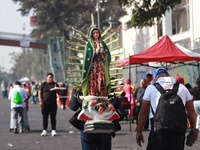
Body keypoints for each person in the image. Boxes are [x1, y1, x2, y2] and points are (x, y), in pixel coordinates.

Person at [69, 26, 120, 150]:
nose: (96, 34)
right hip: (100, 130)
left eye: (97, 32)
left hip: (93, 129)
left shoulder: (107, 88)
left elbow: (73, 106)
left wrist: (102, 52)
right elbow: (89, 57)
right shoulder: (89, 46)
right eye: (94, 33)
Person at [136, 68, 197, 150]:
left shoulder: (151, 88)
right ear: (169, 76)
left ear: (156, 78)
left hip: (157, 132)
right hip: (178, 132)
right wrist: (193, 129)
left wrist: (139, 131)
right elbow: (191, 110)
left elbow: (143, 112)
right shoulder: (182, 88)